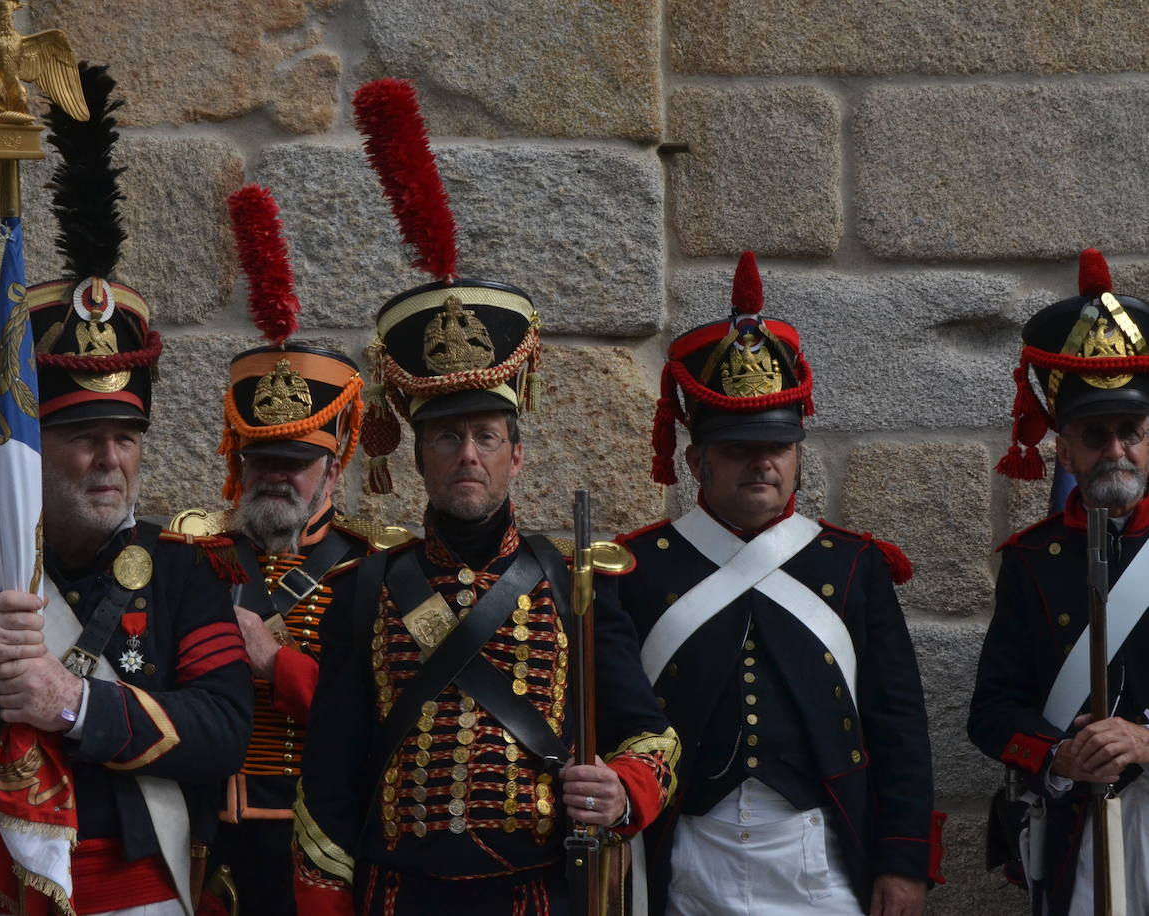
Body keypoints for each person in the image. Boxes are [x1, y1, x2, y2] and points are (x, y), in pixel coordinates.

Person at [0, 64, 254, 915]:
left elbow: (224, 731)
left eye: (126, 438)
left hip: (138, 893)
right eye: (81, 438)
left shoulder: (187, 573)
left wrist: (76, 705)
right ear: (28, 452)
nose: (110, 460)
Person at [290, 78, 679, 915]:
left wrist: (622, 789)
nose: (467, 454)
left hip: (533, 895)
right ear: (418, 456)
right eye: (446, 437)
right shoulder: (363, 588)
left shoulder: (578, 581)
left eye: (486, 437)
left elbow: (651, 734)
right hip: (400, 896)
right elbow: (329, 779)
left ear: (516, 455)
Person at [618, 252, 940, 916]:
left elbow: (898, 723)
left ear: (797, 455)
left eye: (777, 447)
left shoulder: (852, 565)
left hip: (817, 850)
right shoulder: (636, 567)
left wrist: (903, 861)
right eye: (738, 448)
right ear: (696, 460)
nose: (761, 463)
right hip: (689, 851)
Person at [168, 183, 409, 914]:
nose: (275, 474)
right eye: (260, 456)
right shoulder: (191, 553)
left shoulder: (379, 566)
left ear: (335, 463)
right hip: (205, 833)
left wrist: (276, 663)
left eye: (296, 460)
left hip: (323, 835)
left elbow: (394, 714)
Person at [970, 248, 1149, 915]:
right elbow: (992, 714)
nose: (1115, 451)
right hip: (1079, 831)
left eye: (1131, 431)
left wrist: (1145, 741)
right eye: (1095, 435)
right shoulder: (1031, 560)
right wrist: (1060, 755)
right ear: (1065, 450)